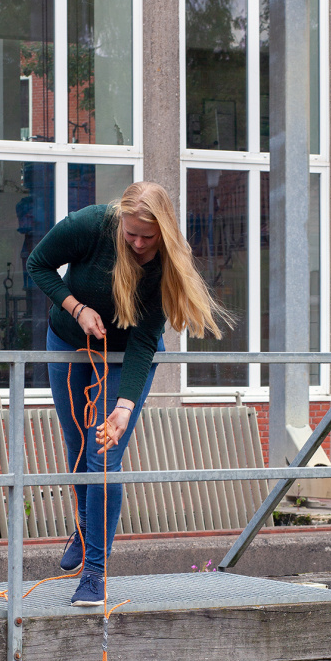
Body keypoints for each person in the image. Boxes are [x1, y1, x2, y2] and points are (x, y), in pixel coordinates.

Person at [26, 181, 228, 606]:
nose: (137, 243)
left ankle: (95, 574)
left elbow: (143, 343)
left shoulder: (166, 266)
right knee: (79, 447)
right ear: (121, 221)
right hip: (69, 343)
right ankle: (84, 526)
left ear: (165, 233)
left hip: (126, 357)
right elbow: (38, 264)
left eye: (147, 237)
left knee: (105, 458)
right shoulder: (92, 225)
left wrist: (123, 408)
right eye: (131, 234)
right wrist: (77, 309)